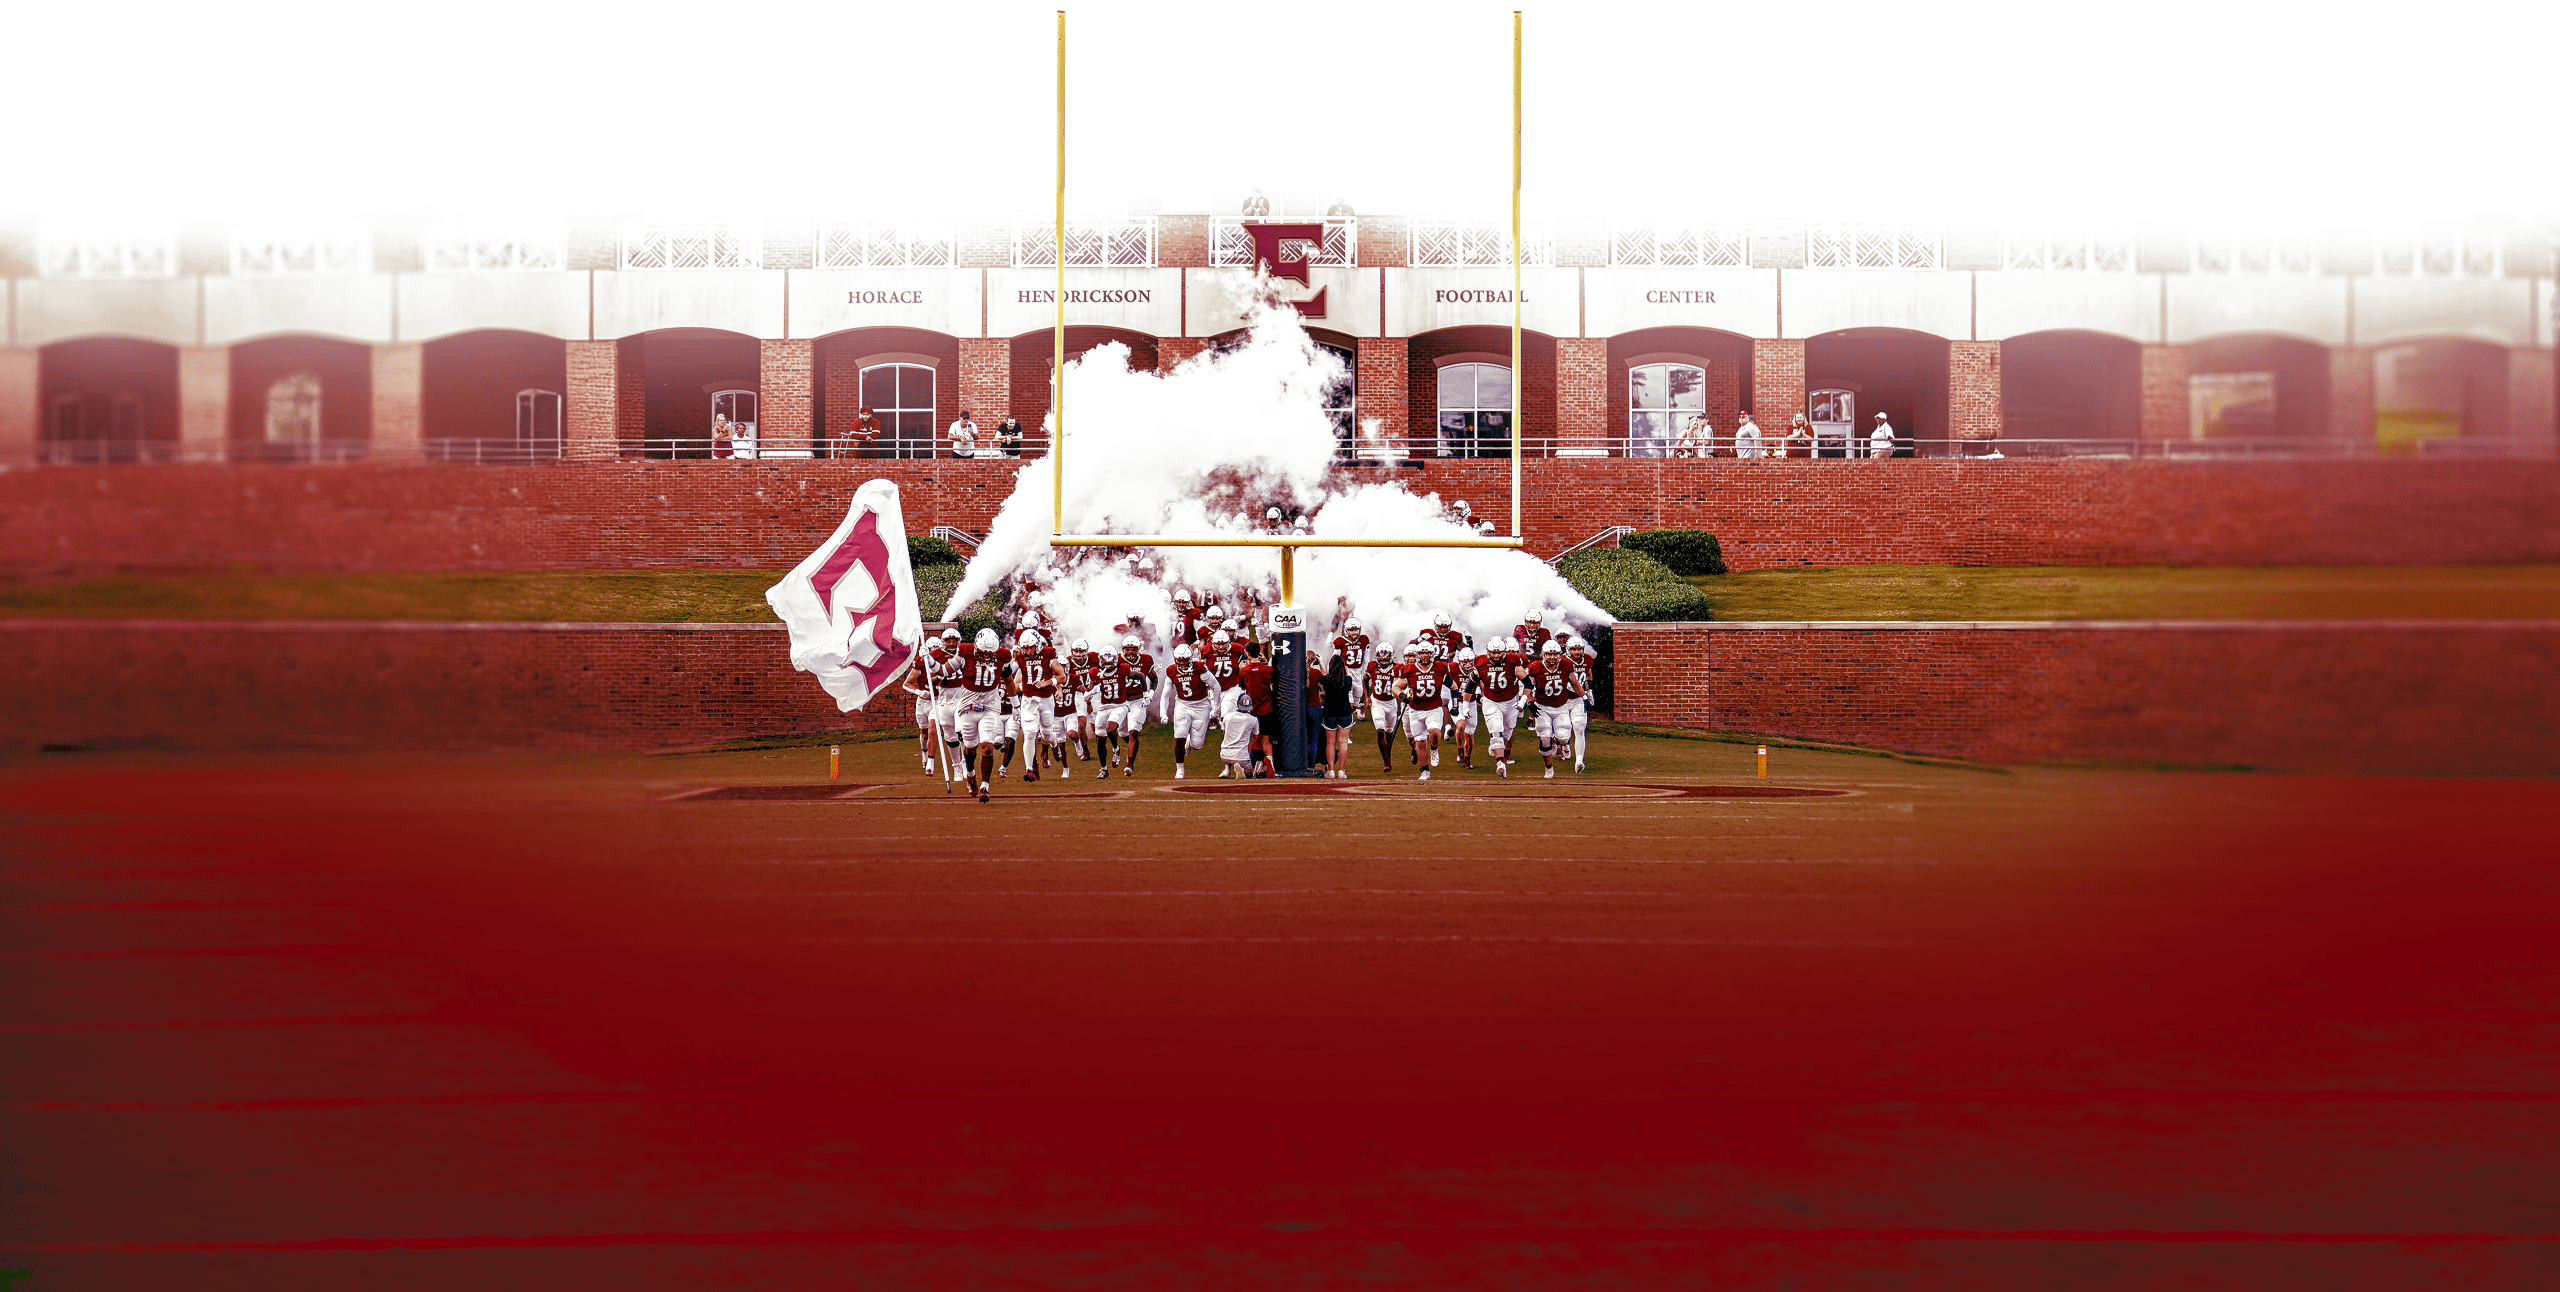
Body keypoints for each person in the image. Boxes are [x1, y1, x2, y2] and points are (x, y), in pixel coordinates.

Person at [950, 627, 1014, 803]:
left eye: (990, 653)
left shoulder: (1002, 656)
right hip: (968, 708)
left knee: (987, 747)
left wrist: (1016, 705)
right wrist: (931, 662)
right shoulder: (965, 652)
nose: (987, 656)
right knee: (970, 748)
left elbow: (1008, 680)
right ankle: (970, 773)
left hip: (989, 707)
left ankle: (985, 787)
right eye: (983, 652)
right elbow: (945, 670)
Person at [1093, 634, 1155, 778]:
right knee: (1121, 733)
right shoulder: (1116, 661)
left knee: (1133, 731)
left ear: (1139, 649)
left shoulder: (1146, 660)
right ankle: (1124, 749)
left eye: (1133, 649)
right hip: (1120, 702)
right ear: (1122, 650)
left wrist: (1149, 693)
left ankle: (1129, 765)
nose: (1130, 652)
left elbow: (1153, 678)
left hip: (1138, 701)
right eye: (1127, 649)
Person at [1392, 639, 1453, 781]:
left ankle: (1434, 749)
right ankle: (1424, 770)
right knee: (1419, 742)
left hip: (1434, 707)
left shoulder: (1440, 667)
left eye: (1427, 652)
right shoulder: (1410, 669)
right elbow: (1395, 686)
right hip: (1416, 709)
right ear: (1417, 654)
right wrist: (1402, 695)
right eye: (1422, 652)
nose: (1424, 655)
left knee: (1434, 733)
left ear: (1432, 654)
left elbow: (1453, 685)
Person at [1524, 640, 1585, 779]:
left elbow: (1574, 683)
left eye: (1554, 654)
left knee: (1564, 738)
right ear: (1543, 655)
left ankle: (1557, 741)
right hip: (1542, 707)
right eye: (1549, 654)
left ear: (1559, 654)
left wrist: (1584, 698)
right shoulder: (1535, 667)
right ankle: (1548, 768)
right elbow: (1528, 688)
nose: (1552, 657)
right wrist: (1529, 703)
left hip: (1561, 706)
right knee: (1544, 737)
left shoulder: (1566, 665)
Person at [1165, 641, 1219, 780]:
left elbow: (1216, 687)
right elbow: (1165, 694)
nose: (1181, 663)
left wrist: (1216, 708)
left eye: (1184, 660)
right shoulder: (1171, 670)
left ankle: (1190, 742)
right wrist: (1162, 712)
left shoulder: (1200, 668)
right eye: (1179, 660)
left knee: (1197, 745)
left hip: (1201, 705)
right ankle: (1180, 770)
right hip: (1183, 704)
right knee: (1179, 735)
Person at [1474, 635, 1527, 778]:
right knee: (1496, 731)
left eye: (1499, 652)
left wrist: (1523, 700)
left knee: (1508, 730)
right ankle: (1500, 763)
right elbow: (1475, 681)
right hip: (1491, 700)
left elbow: (1527, 682)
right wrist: (1472, 698)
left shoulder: (1514, 661)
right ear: (1488, 651)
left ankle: (1496, 745)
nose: (1496, 655)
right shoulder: (1481, 662)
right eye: (1493, 652)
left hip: (1511, 699)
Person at [1012, 629, 1061, 782]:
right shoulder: (1020, 659)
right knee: (1030, 733)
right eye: (1025, 648)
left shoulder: (1048, 654)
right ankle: (1029, 769)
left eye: (1031, 647)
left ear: (1038, 645)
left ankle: (1054, 744)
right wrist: (1024, 687)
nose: (1028, 651)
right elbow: (1015, 683)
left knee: (1046, 733)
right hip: (1029, 701)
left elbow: (1062, 676)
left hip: (1046, 699)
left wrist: (1048, 682)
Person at [1319, 649, 1359, 778]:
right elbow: (1346, 677)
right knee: (1343, 742)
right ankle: (1342, 771)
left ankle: (1331, 770)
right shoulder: (1347, 680)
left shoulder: (1326, 680)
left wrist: (1320, 662)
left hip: (1330, 712)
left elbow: (1324, 675)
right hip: (1345, 712)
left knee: (1330, 742)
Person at [1363, 644, 1402, 774]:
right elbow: (1365, 680)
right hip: (1377, 702)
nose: (1383, 658)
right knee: (1380, 730)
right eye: (1381, 654)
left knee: (1389, 734)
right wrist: (1367, 696)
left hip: (1391, 703)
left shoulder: (1397, 668)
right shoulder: (1372, 666)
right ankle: (1387, 761)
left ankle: (1387, 755)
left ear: (1391, 655)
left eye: (1386, 655)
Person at [1563, 635, 1598, 773]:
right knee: (1563, 731)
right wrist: (1584, 693)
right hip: (1562, 699)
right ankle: (1562, 744)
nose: (1577, 652)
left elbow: (1588, 673)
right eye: (1573, 649)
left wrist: (1588, 689)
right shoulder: (1563, 661)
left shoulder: (1587, 659)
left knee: (1579, 727)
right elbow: (1569, 683)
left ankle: (1579, 761)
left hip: (1578, 700)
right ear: (1568, 649)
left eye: (1579, 649)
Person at [1447, 645, 1482, 770]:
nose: (1467, 664)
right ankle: (1460, 750)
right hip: (1456, 701)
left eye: (1469, 661)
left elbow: (1483, 684)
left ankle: (1467, 758)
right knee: (1461, 725)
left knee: (1470, 734)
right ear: (1459, 661)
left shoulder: (1478, 670)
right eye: (1465, 661)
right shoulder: (1452, 668)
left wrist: (1482, 696)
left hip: (1471, 703)